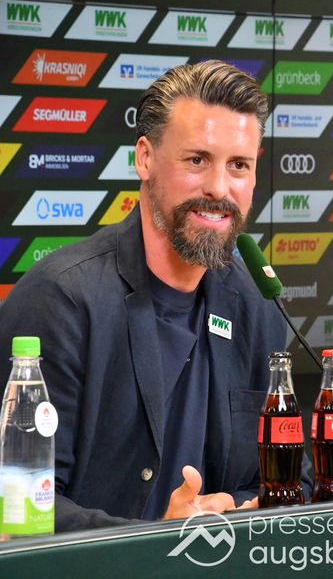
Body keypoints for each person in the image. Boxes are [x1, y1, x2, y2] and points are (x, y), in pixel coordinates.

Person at [0, 60, 312, 531]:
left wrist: (238, 510)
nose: (219, 188)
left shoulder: (256, 305)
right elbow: (18, 505)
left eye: (238, 165)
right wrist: (157, 539)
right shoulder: (61, 299)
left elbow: (294, 480)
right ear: (145, 158)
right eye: (197, 160)